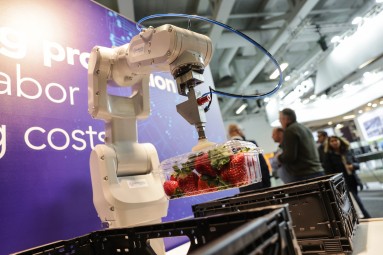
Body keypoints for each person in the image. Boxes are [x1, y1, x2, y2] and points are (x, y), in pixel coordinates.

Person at [323, 135, 371, 218]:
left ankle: (359, 217)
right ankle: (366, 217)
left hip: (352, 179)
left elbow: (357, 164)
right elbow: (329, 172)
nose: (334, 142)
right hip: (341, 182)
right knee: (355, 201)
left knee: (354, 201)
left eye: (336, 140)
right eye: (332, 141)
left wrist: (353, 166)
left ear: (340, 141)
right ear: (329, 143)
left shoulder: (346, 151)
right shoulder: (328, 156)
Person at [277, 108, 324, 182]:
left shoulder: (290, 130)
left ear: (286, 119)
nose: (280, 121)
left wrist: (279, 158)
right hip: (317, 171)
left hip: (304, 175)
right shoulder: (304, 128)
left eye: (280, 119)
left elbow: (290, 157)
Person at [227, 123, 271, 190]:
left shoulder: (226, 151)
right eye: (242, 130)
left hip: (242, 188)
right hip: (259, 185)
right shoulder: (250, 144)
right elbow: (262, 165)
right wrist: (267, 184)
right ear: (238, 131)